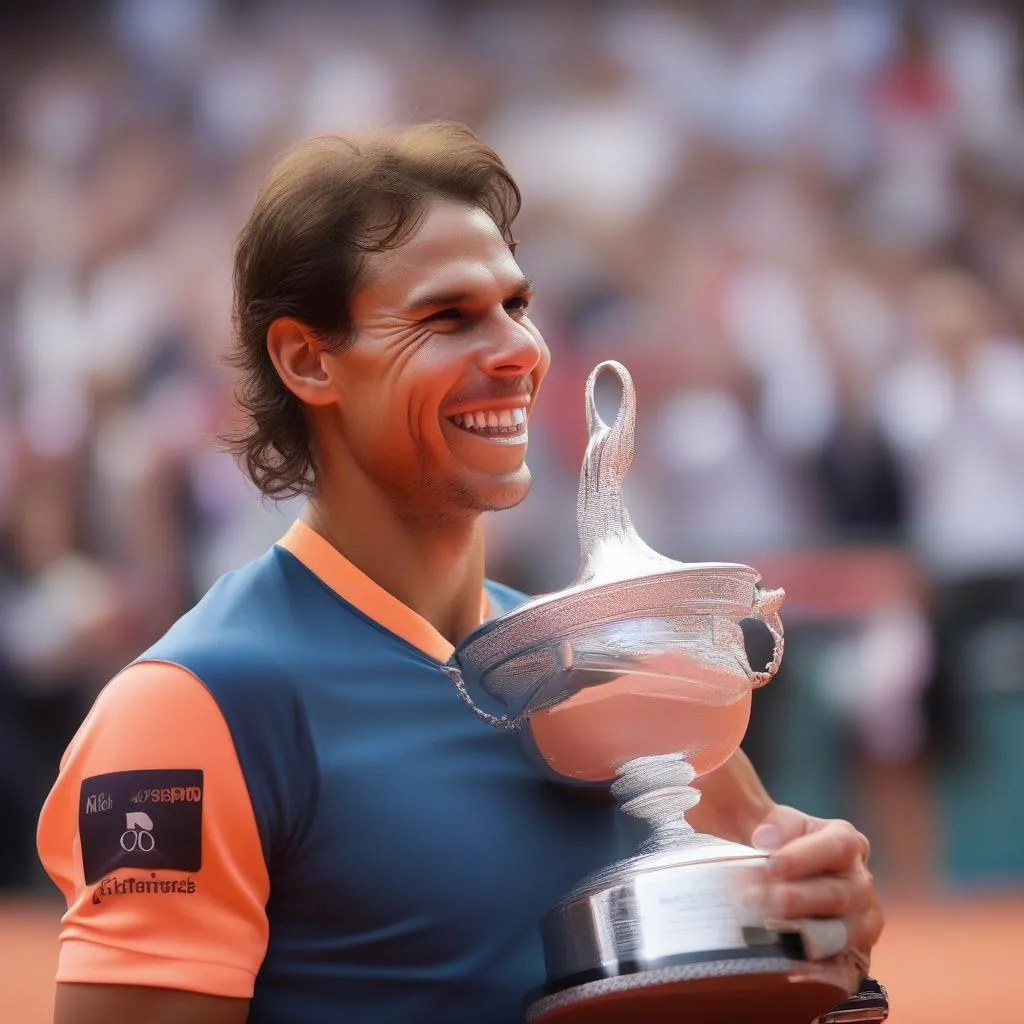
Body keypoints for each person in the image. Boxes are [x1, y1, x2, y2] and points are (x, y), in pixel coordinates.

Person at [37, 123, 883, 1024]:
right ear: (308, 359)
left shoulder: (613, 673)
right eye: (448, 317)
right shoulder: (187, 711)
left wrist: (827, 930)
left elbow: (762, 976)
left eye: (516, 306)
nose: (520, 351)